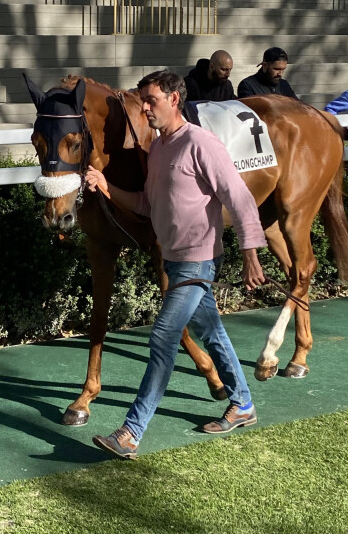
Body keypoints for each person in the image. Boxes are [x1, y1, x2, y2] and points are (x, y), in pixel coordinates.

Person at [88, 70, 267, 460]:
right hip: (174, 258)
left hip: (198, 261)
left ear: (173, 99)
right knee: (211, 331)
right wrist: (105, 186)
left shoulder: (201, 143)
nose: (144, 107)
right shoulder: (160, 150)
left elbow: (238, 197)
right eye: (142, 100)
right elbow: (145, 205)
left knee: (162, 338)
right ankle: (244, 404)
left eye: (150, 100)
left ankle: (131, 433)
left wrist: (251, 253)